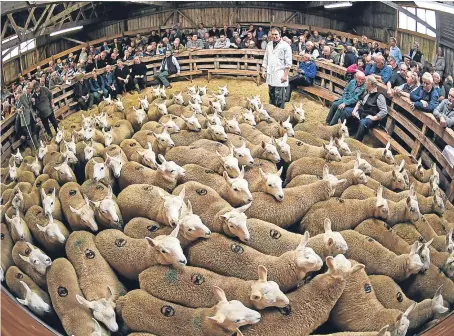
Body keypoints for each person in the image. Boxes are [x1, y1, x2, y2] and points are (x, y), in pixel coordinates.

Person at [339, 75, 388, 141]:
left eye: (366, 82)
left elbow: (384, 111)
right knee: (346, 111)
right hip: (361, 112)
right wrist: (355, 109)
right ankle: (347, 131)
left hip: (370, 117)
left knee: (363, 122)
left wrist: (374, 118)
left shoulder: (379, 96)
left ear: (370, 84)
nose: (365, 84)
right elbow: (360, 101)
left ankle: (356, 142)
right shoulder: (367, 91)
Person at [261, 27, 292, 108]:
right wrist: (263, 70)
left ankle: (280, 115)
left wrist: (285, 75)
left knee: (279, 97)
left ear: (280, 34)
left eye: (276, 34)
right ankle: (272, 112)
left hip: (280, 74)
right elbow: (265, 58)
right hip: (270, 73)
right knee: (271, 95)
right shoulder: (269, 44)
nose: (274, 36)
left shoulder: (286, 46)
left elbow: (288, 63)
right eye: (272, 34)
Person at [17, 83, 39, 149]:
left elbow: (31, 106)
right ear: (26, 89)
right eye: (29, 89)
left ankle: (37, 145)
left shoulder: (30, 96)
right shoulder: (21, 97)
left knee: (34, 130)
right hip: (25, 118)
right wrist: (20, 109)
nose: (30, 90)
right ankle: (32, 148)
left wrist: (33, 101)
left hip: (31, 116)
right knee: (29, 134)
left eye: (31, 89)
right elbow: (17, 107)